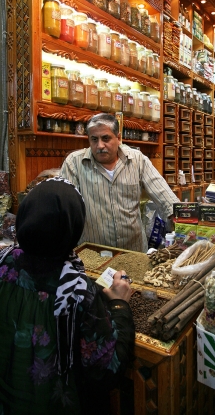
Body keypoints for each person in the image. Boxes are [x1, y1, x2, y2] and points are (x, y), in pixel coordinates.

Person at [0, 177, 135, 415]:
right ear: (74, 225)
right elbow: (105, 370)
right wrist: (119, 305)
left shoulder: (4, 264)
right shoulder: (76, 290)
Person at [60, 113, 180, 252]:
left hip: (133, 251)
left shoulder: (137, 160)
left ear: (118, 138)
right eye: (94, 139)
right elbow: (65, 209)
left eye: (106, 138)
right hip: (93, 253)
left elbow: (163, 194)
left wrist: (182, 221)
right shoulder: (74, 162)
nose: (100, 145)